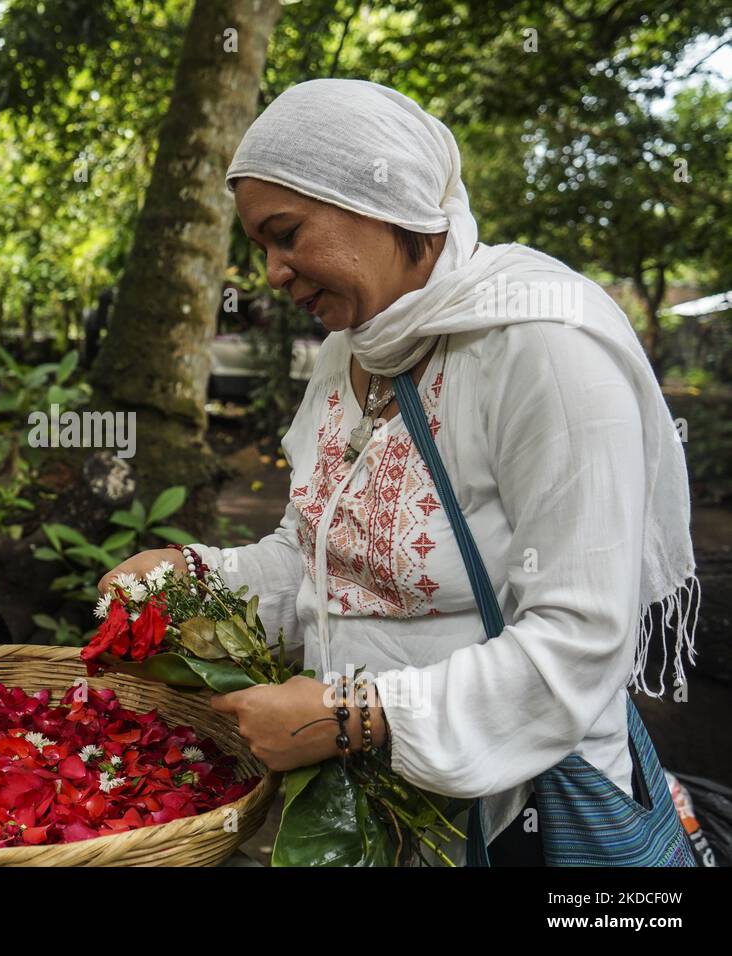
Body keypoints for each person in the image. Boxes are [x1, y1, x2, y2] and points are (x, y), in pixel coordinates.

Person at [99, 79, 699, 864]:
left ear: (385, 199)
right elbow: (315, 558)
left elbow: (580, 642)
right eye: (262, 248)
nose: (275, 273)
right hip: (362, 814)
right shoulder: (351, 353)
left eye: (287, 234)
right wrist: (189, 578)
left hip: (514, 818)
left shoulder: (545, 351)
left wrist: (350, 714)